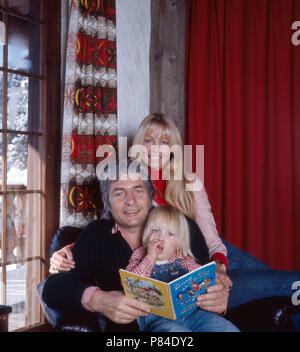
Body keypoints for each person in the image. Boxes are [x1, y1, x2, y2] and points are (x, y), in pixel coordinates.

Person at [43, 159, 231, 332]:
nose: (130, 201)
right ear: (107, 200)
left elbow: (207, 279)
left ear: (151, 195)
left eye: (138, 190)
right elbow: (52, 288)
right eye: (119, 193)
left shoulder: (183, 226)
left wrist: (219, 300)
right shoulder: (96, 234)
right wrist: (97, 299)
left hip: (198, 319)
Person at [126, 204, 239, 332]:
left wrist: (208, 287)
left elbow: (202, 277)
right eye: (156, 231)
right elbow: (131, 284)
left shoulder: (184, 260)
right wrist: (150, 258)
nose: (161, 238)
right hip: (158, 319)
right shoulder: (140, 256)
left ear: (179, 242)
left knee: (225, 327)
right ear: (147, 233)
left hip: (194, 314)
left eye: (170, 234)